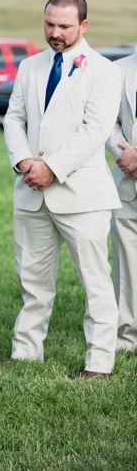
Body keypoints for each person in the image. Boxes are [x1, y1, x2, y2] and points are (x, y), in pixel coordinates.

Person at [0, 0, 121, 378]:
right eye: (50, 23)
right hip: (31, 191)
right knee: (32, 280)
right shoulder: (30, 66)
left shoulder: (103, 70)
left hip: (81, 194)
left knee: (95, 281)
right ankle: (25, 353)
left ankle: (99, 362)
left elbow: (94, 130)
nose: (55, 32)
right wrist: (23, 161)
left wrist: (50, 167)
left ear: (83, 26)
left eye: (64, 26)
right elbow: (13, 119)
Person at [108, 51, 137, 351]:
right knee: (127, 264)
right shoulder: (116, 70)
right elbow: (107, 122)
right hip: (127, 183)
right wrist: (126, 156)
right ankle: (127, 337)